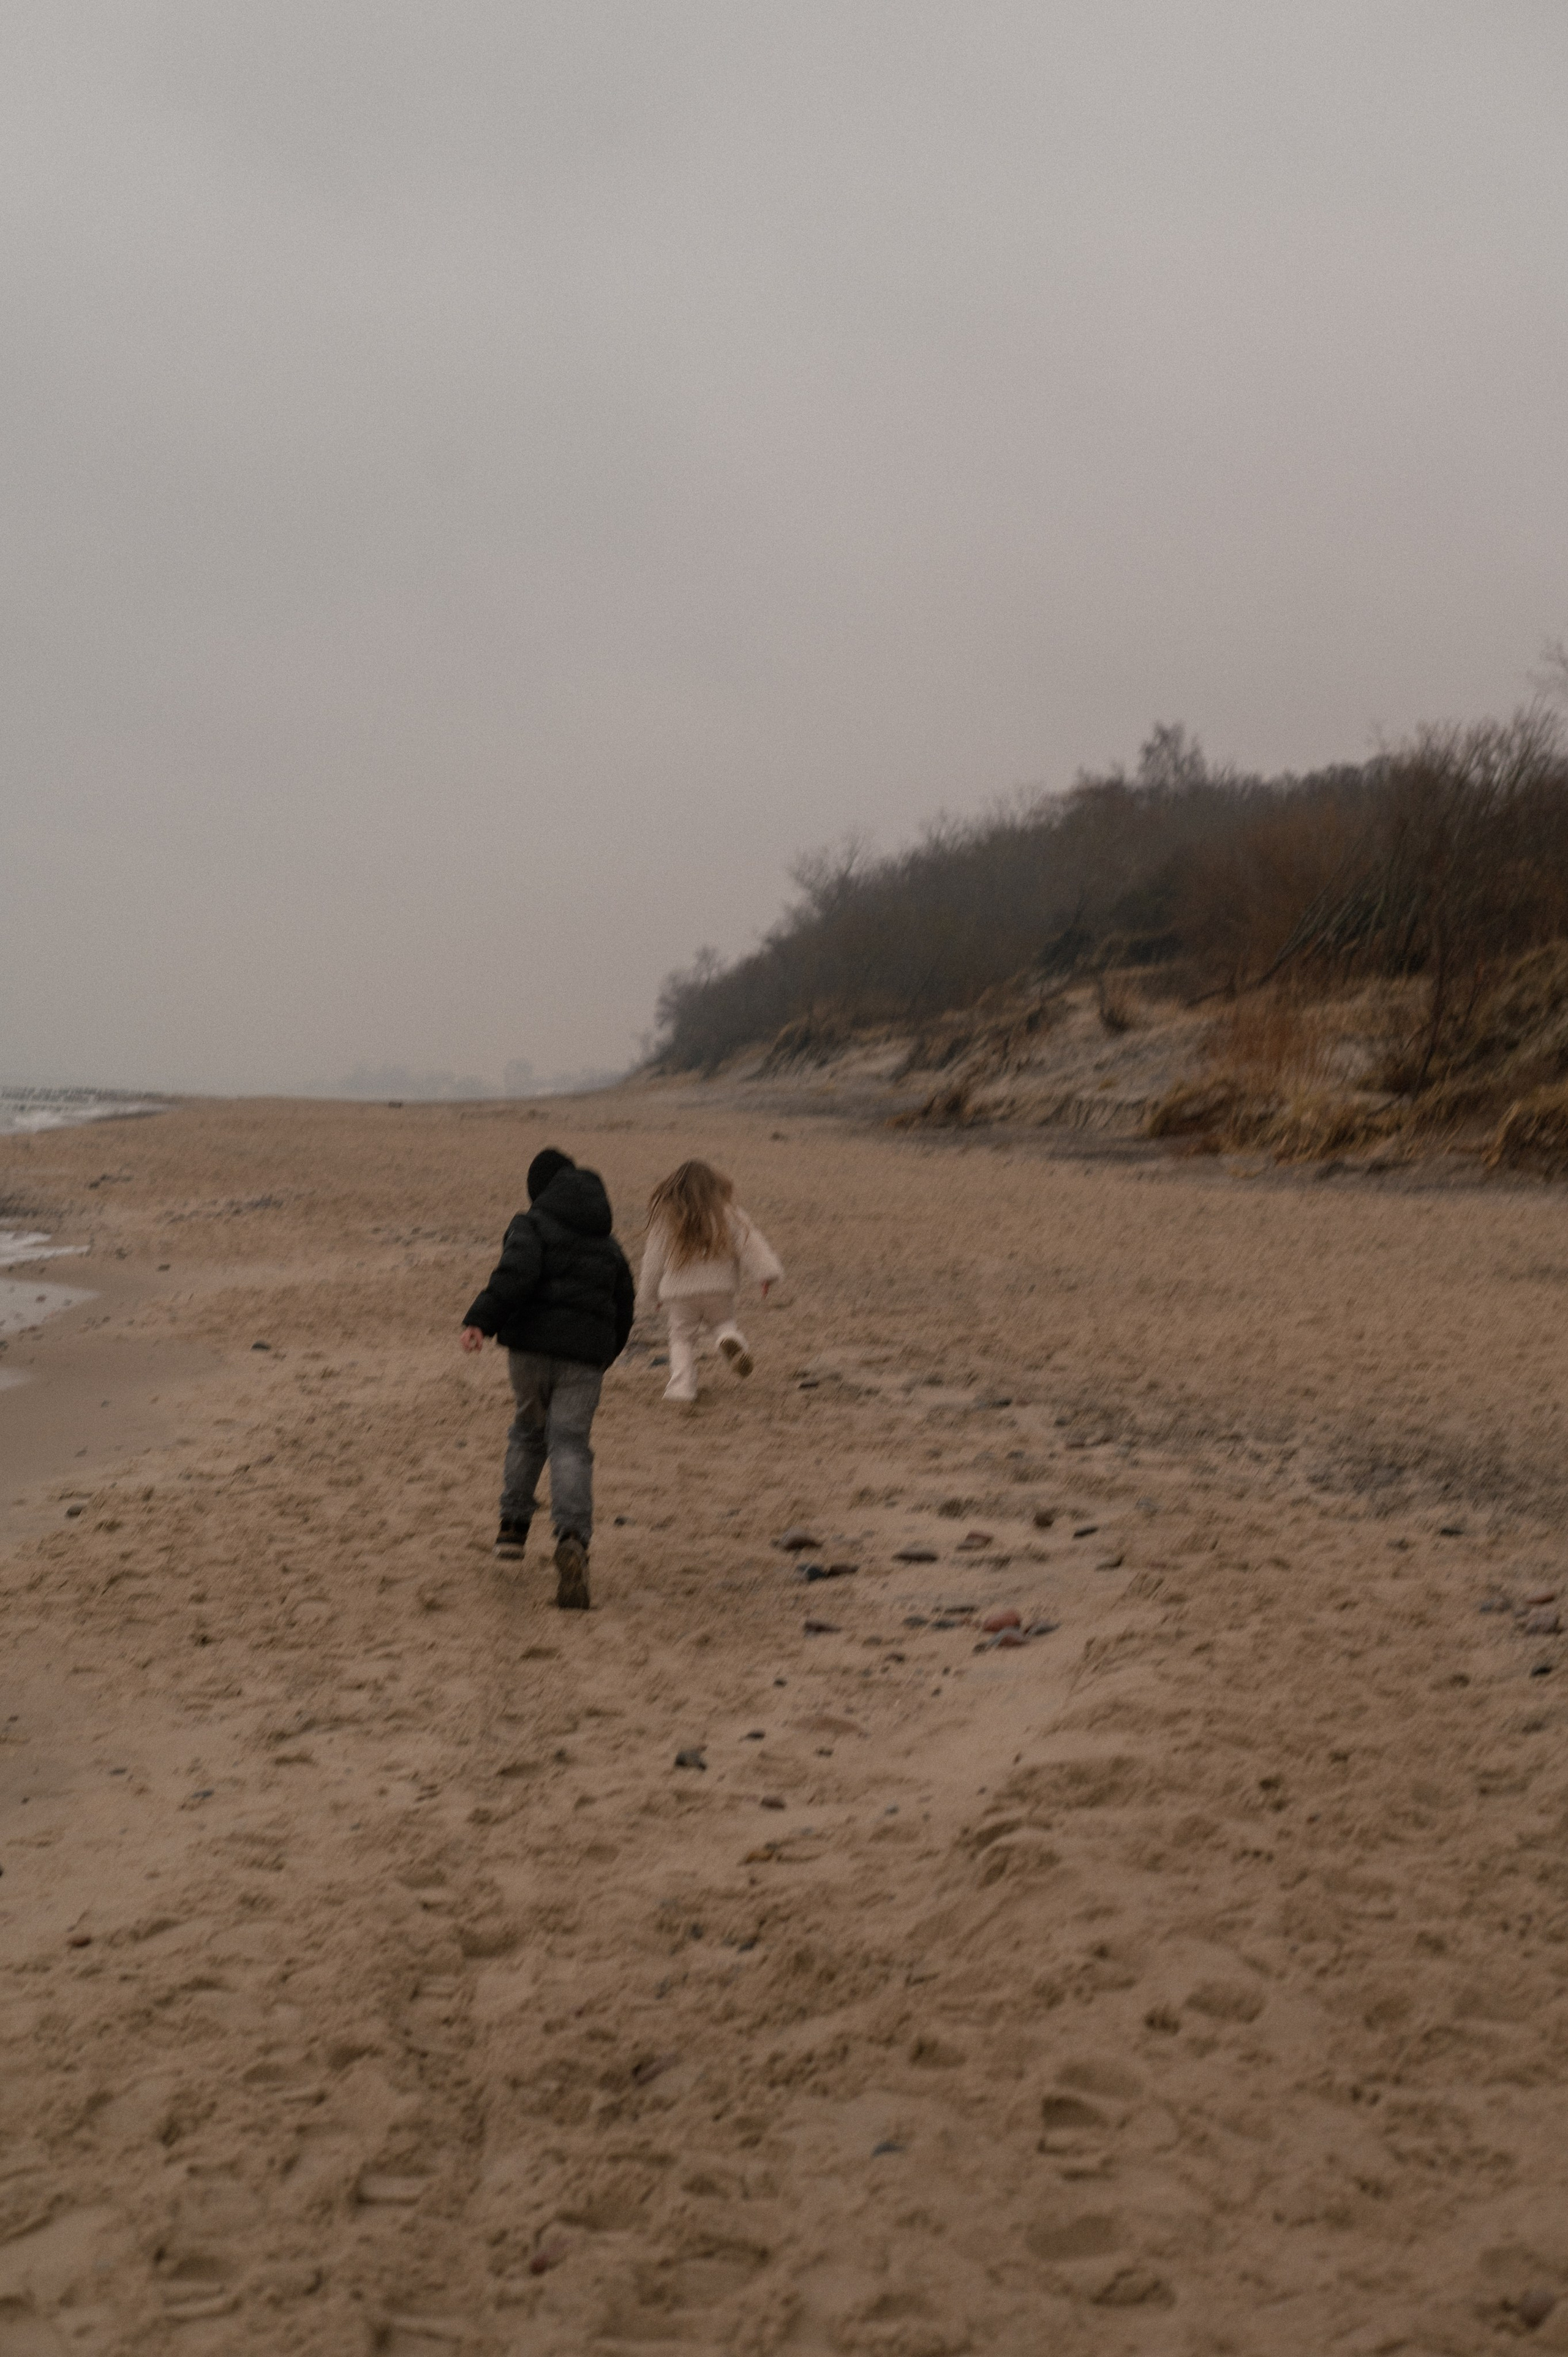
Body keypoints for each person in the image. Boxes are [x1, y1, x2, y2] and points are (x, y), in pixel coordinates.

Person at [461, 1147, 634, 1609]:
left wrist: (480, 1321)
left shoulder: (530, 1226)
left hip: (530, 1353)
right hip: (584, 1361)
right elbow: (624, 1306)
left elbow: (514, 1275)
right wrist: (605, 1354)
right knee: (570, 1444)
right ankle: (572, 1537)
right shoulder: (609, 1246)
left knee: (527, 1432)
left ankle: (512, 1529)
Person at [635, 1159, 783, 1405]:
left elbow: (653, 1260)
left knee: (681, 1338)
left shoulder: (667, 1218)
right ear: (716, 1186)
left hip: (680, 1294)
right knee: (723, 1323)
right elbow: (751, 1244)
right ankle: (729, 1338)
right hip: (719, 1290)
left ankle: (682, 1388)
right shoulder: (729, 1214)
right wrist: (766, 1274)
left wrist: (651, 1295)